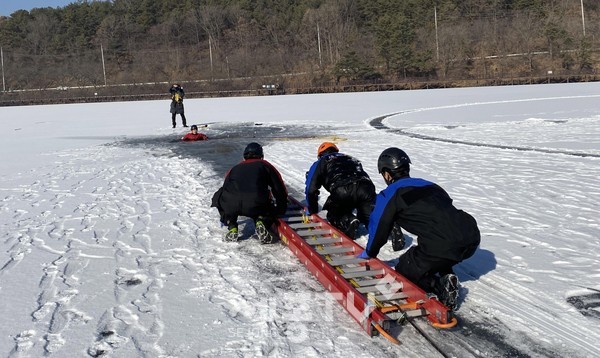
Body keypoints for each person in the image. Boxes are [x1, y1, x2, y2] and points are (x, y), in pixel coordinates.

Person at [358, 147, 480, 310]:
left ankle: (439, 286)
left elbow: (379, 229)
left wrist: (369, 252)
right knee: (438, 250)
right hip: (470, 235)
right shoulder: (430, 185)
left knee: (404, 270)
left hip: (441, 242)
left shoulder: (389, 194)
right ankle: (446, 274)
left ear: (387, 174)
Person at [211, 142, 288, 243]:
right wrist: (280, 209)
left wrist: (225, 213)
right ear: (261, 155)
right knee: (264, 202)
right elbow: (278, 187)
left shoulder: (235, 168)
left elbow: (225, 187)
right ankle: (262, 220)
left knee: (222, 195)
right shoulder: (265, 165)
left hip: (231, 204)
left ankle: (232, 225)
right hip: (255, 203)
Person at [305, 142, 376, 239]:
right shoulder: (350, 158)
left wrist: (312, 210)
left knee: (334, 212)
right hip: (366, 187)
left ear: (320, 154)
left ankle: (347, 220)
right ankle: (387, 226)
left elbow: (311, 188)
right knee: (369, 216)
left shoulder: (322, 161)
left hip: (342, 188)